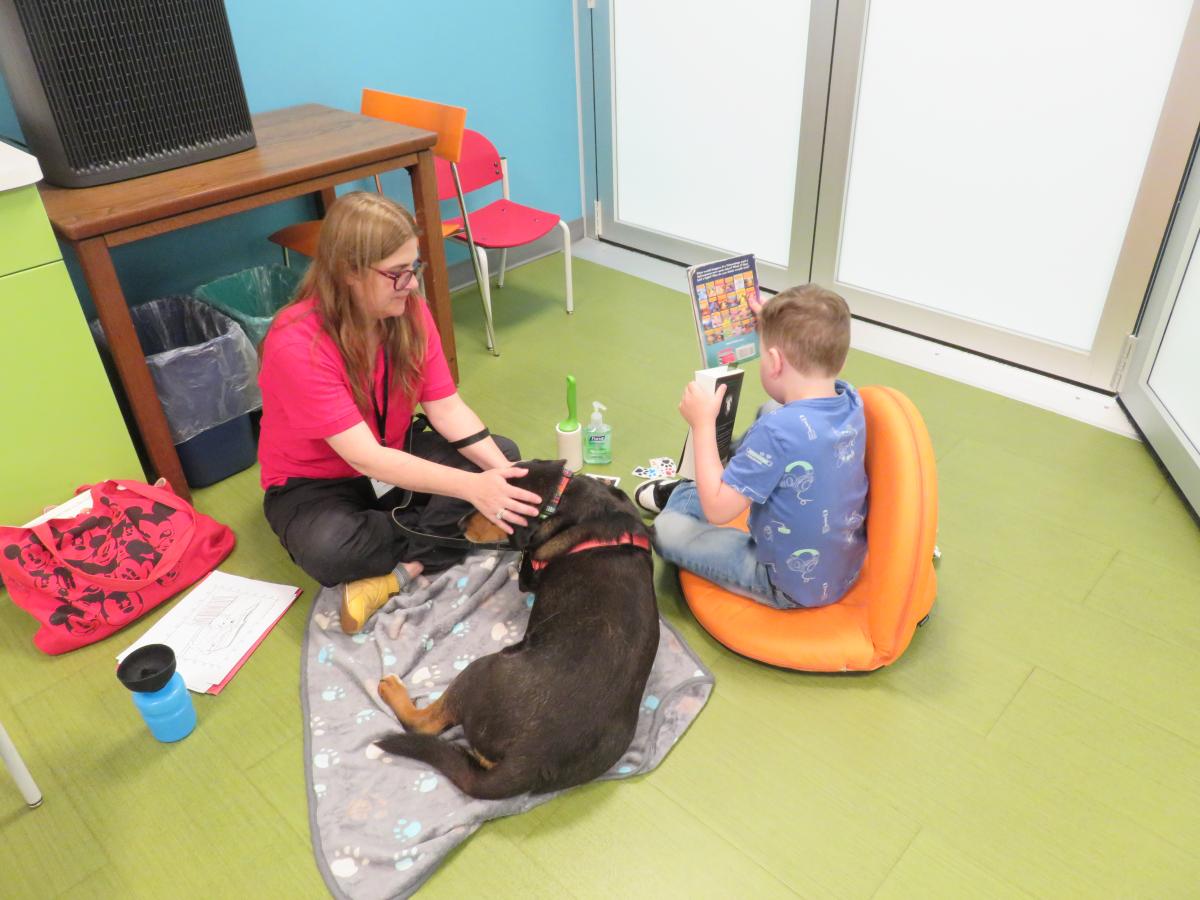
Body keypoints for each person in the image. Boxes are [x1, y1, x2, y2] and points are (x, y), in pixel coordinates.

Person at [257, 192, 542, 633]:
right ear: (349, 272)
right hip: (314, 484)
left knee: (503, 454)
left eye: (415, 268)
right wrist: (474, 490)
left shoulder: (407, 311)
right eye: (397, 273)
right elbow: (364, 458)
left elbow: (446, 408)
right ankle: (433, 545)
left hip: (391, 458)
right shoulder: (296, 342)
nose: (411, 284)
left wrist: (503, 476)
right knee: (330, 548)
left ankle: (399, 568)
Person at [637, 284, 868, 609]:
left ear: (774, 362)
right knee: (774, 409)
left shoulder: (775, 433)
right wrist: (776, 323)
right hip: (843, 569)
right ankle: (711, 478)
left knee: (666, 530)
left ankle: (684, 491)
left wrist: (703, 424)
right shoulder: (852, 398)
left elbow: (718, 512)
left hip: (785, 585)